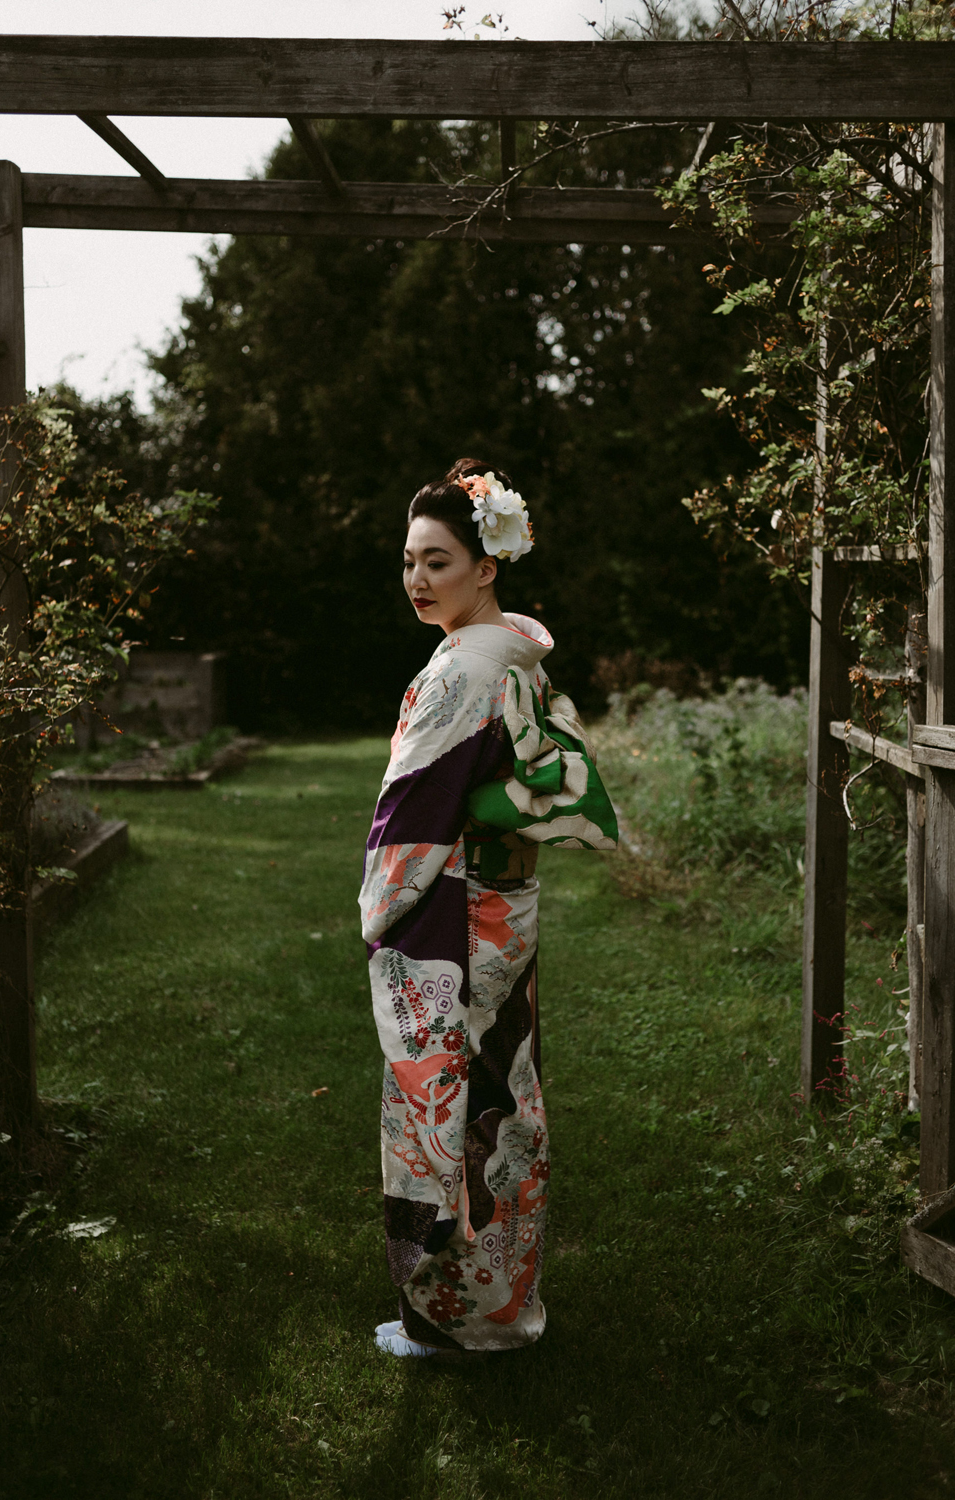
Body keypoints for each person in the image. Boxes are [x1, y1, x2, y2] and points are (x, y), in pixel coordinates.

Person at [362, 458, 619, 1358]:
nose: (418, 580)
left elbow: (412, 813)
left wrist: (379, 910)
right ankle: (501, 1302)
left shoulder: (462, 672)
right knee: (500, 1096)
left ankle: (455, 1317)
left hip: (448, 913)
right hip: (501, 905)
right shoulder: (509, 649)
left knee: (444, 1106)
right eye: (409, 562)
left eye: (437, 561)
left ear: (486, 565)